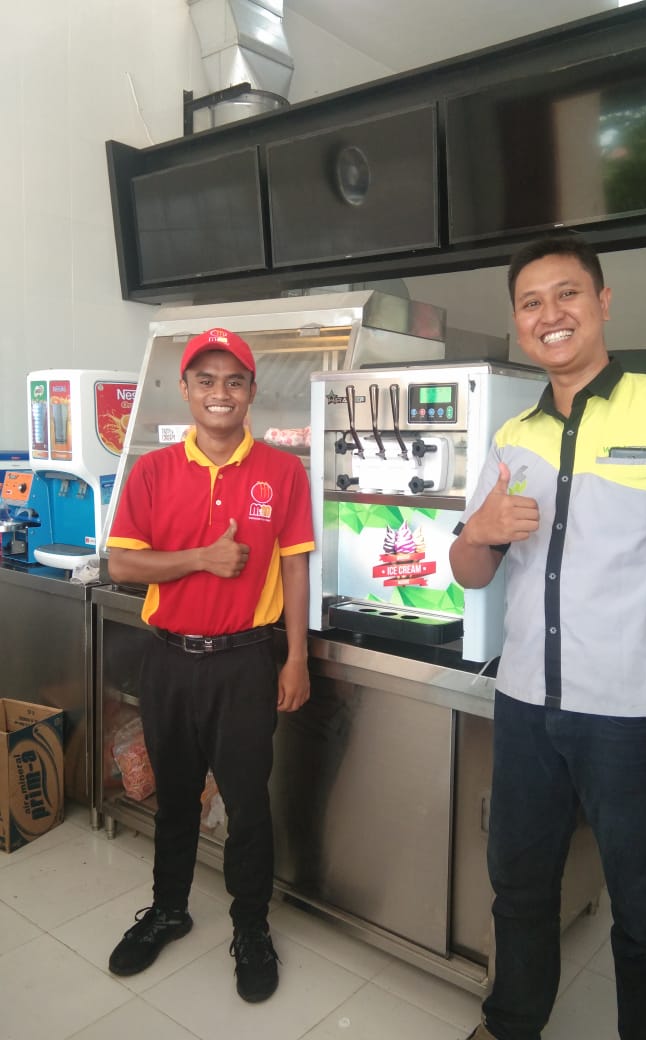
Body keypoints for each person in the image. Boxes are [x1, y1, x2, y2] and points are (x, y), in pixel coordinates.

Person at [451, 236, 646, 1040]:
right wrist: (479, 530)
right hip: (525, 706)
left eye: (568, 293)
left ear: (603, 302)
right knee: (518, 886)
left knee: (644, 911)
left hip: (631, 716)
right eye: (531, 302)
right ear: (517, 322)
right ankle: (512, 1023)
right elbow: (470, 572)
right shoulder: (513, 435)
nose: (550, 314)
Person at [105, 327, 314, 1003]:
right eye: (206, 380)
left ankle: (250, 927)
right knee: (176, 798)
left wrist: (296, 658)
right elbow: (122, 564)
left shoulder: (283, 472)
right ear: (186, 389)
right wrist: (201, 558)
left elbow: (296, 566)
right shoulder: (153, 471)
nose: (219, 393)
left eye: (233, 381)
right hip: (168, 660)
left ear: (251, 391)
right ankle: (169, 910)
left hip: (246, 662)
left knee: (248, 805)